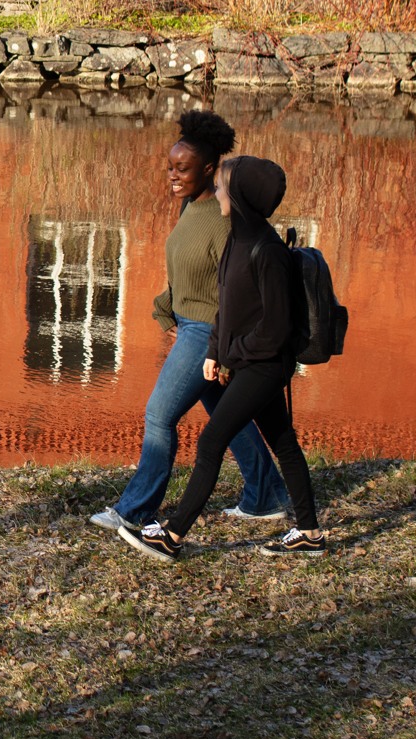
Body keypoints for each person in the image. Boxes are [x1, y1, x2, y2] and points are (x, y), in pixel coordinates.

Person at [85, 110, 288, 539]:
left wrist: (219, 342)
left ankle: (135, 511)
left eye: (183, 168)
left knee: (159, 415)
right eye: (171, 167)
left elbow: (235, 287)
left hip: (207, 330)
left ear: (211, 169)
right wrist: (168, 307)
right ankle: (265, 496)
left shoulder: (225, 218)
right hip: (191, 323)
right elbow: (185, 268)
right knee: (225, 417)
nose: (173, 176)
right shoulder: (190, 206)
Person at [122, 154, 327, 561]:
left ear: (242, 194)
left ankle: (172, 536)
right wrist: (215, 352)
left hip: (266, 366)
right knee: (284, 442)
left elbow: (277, 329)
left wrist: (235, 356)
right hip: (245, 359)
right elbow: (226, 309)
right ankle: (310, 533)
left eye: (223, 186)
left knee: (213, 439)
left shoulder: (268, 251)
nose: (216, 191)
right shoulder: (237, 238)